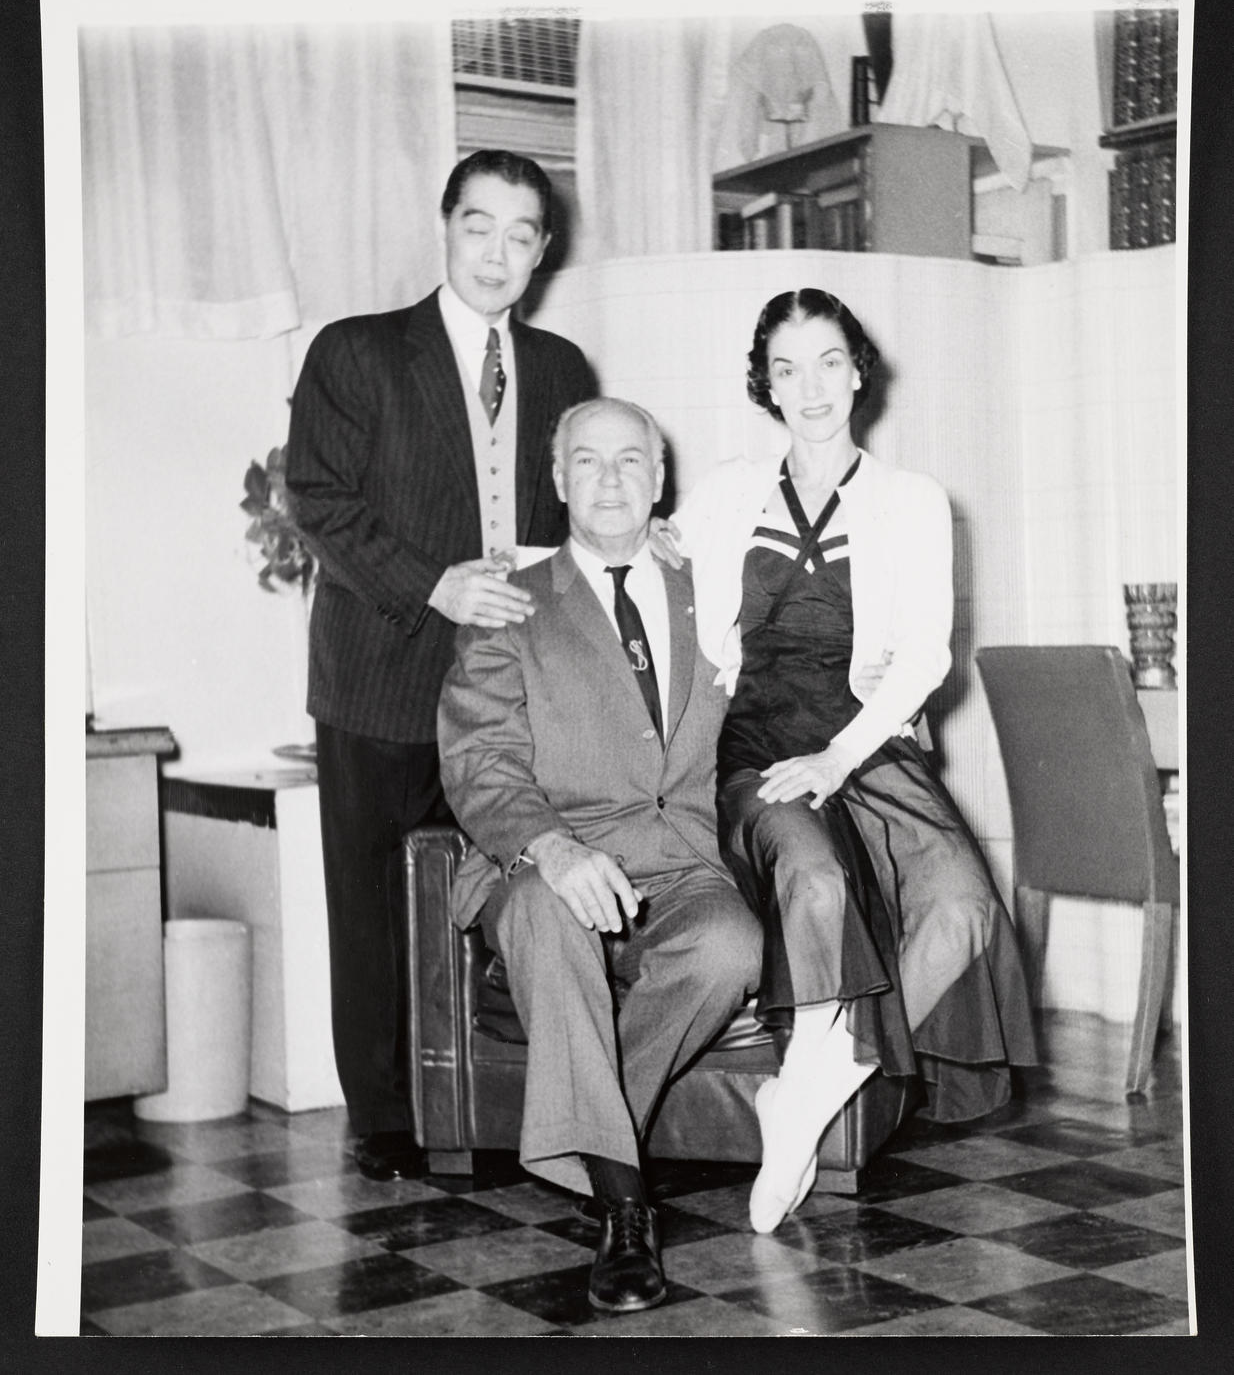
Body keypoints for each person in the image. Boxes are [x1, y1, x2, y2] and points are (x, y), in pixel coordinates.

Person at [665, 288, 1037, 1235]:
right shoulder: (723, 494)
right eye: (786, 369)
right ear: (766, 386)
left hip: (862, 740)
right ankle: (807, 1116)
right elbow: (646, 565)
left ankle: (809, 1089)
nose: (811, 387)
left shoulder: (912, 501)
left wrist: (838, 758)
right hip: (755, 740)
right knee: (817, 880)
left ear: (858, 369)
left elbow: (925, 656)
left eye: (828, 361)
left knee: (962, 908)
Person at [285, 151, 596, 1183]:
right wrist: (437, 585)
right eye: (479, 226)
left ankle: (492, 1103)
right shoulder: (357, 351)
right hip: (383, 675)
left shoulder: (562, 371)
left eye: (521, 234)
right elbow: (320, 502)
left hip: (512, 694)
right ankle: (385, 1117)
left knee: (500, 892)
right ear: (445, 228)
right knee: (378, 905)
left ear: (544, 250)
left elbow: (581, 517)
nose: (498, 251)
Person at [437, 398, 762, 1313]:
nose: (611, 480)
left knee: (732, 946)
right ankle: (625, 1211)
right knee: (548, 907)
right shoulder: (511, 598)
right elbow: (479, 760)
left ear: (662, 481)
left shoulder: (719, 586)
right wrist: (551, 849)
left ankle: (582, 1124)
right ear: (556, 481)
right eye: (588, 462)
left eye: (631, 461)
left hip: (681, 861)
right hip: (539, 856)